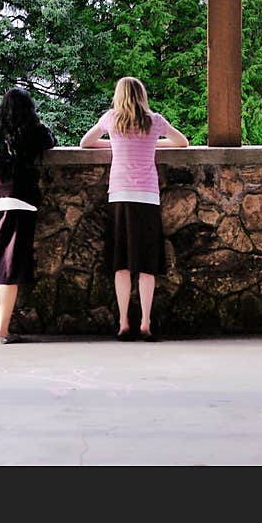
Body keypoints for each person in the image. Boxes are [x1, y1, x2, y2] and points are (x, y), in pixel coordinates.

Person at [79, 77, 189, 341]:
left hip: (120, 195)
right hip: (147, 197)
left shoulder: (111, 119)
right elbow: (182, 142)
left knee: (122, 264)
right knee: (147, 263)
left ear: (119, 95)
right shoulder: (154, 121)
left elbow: (85, 143)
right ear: (142, 95)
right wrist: (153, 143)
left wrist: (114, 144)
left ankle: (123, 322)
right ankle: (146, 323)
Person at [0, 88, 57, 345]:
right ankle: (4, 331)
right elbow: (50, 140)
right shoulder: (32, 129)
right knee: (9, 267)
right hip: (18, 197)